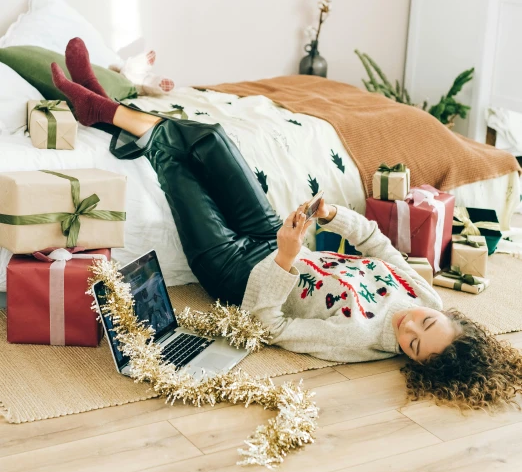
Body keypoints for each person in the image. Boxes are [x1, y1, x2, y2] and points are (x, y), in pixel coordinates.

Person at [51, 38, 522, 411]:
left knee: (175, 165)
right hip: (275, 238)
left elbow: (267, 325)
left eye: (413, 346)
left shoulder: (358, 340)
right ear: (448, 315)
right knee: (212, 139)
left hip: (235, 269)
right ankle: (106, 112)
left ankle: (103, 111)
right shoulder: (425, 295)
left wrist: (285, 258)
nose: (408, 325)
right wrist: (336, 216)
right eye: (426, 323)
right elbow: (377, 245)